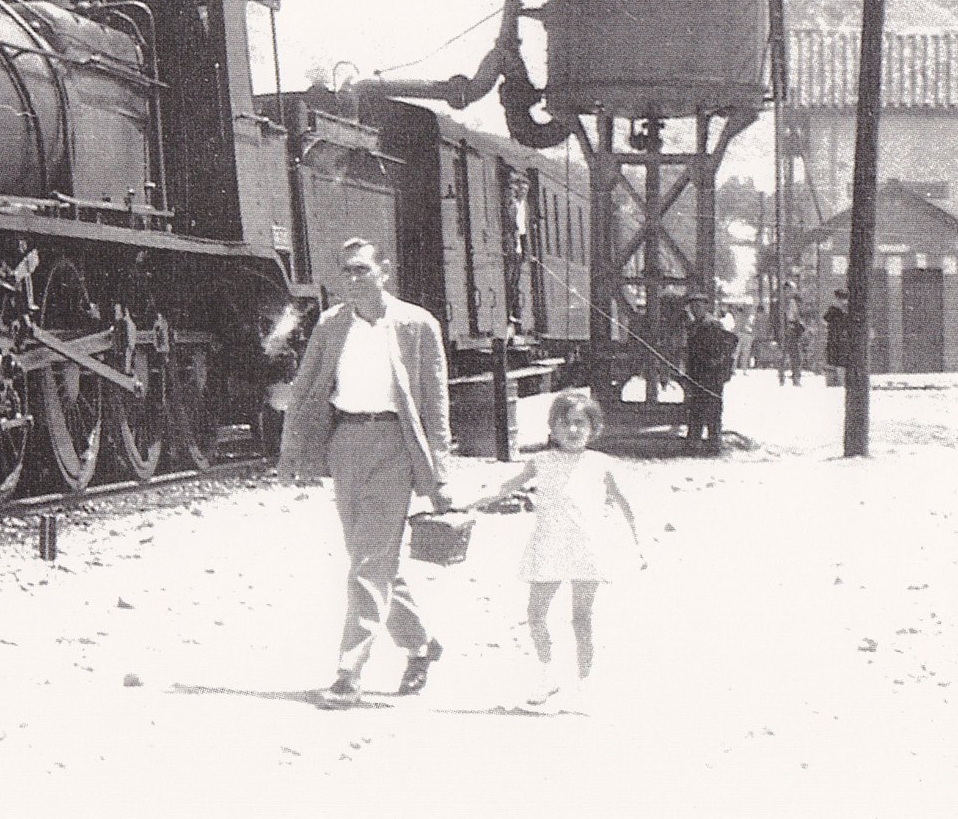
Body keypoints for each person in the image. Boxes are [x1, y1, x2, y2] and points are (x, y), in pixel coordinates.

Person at [274, 237, 453, 709]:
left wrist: (440, 476)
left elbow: (435, 405)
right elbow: (307, 388)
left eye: (360, 270)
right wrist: (292, 453)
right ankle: (420, 645)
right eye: (345, 272)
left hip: (397, 446)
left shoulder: (418, 324)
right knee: (372, 562)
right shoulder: (331, 325)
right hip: (346, 445)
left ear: (384, 271)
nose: (352, 280)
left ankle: (348, 670)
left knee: (370, 564)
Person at [463, 393, 643, 710]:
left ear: (593, 427)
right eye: (565, 423)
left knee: (582, 618)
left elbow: (628, 505)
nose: (572, 430)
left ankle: (585, 683)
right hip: (547, 546)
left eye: (580, 423)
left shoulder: (601, 463)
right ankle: (547, 676)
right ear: (553, 427)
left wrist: (639, 544)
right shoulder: (541, 462)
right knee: (535, 614)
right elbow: (504, 487)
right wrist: (467, 504)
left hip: (587, 548)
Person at [682, 299, 737, 455]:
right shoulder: (694, 325)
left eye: (698, 307)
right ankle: (694, 443)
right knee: (696, 408)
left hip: (711, 374)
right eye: (692, 307)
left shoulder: (713, 324)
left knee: (712, 409)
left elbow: (731, 341)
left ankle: (713, 444)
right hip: (697, 373)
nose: (695, 310)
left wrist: (718, 361)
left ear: (705, 307)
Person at [823, 290, 851, 386]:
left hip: (839, 339)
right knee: (835, 361)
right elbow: (826, 319)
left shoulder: (844, 311)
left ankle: (838, 382)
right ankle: (834, 382)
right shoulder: (834, 310)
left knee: (838, 361)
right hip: (837, 339)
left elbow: (825, 320)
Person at [782, 287, 806, 386]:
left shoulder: (788, 302)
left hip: (791, 331)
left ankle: (786, 378)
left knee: (790, 355)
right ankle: (795, 379)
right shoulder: (792, 302)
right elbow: (792, 316)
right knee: (795, 356)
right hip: (793, 331)